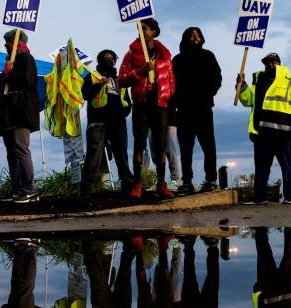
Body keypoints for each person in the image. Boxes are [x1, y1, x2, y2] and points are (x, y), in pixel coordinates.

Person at [237, 53, 291, 204]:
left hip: (284, 132)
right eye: (267, 62)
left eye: (273, 62)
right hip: (262, 132)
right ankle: (259, 198)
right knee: (262, 168)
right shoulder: (259, 80)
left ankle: (290, 197)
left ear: (279, 63)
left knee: (287, 166)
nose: (270, 64)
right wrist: (242, 86)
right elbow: (249, 101)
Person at [119, 18, 176, 199]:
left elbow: (172, 81)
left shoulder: (165, 56)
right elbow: (121, 79)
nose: (140, 31)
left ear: (153, 31)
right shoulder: (131, 54)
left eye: (144, 28)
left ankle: (161, 183)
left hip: (160, 104)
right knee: (139, 145)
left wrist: (167, 96)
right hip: (141, 104)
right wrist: (139, 72)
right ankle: (137, 184)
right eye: (139, 28)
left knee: (161, 146)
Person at [172, 27, 222, 195]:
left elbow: (217, 77)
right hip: (184, 109)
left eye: (198, 34)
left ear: (201, 38)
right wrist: (176, 100)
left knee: (208, 146)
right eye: (192, 34)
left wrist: (208, 93)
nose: (195, 37)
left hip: (203, 107)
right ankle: (187, 182)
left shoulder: (208, 56)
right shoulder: (177, 60)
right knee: (186, 148)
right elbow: (171, 84)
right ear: (185, 37)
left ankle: (211, 180)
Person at [0, 30, 40, 203]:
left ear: (17, 43)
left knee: (20, 150)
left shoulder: (26, 59)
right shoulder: (11, 63)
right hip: (9, 117)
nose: (5, 44)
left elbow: (27, 81)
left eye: (8, 42)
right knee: (12, 153)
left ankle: (29, 190)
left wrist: (9, 73)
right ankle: (18, 190)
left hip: (20, 114)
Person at [80, 50, 134, 196]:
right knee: (94, 155)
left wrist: (124, 113)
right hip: (98, 121)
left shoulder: (119, 79)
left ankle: (128, 185)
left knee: (121, 154)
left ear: (115, 61)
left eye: (111, 58)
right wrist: (98, 85)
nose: (108, 60)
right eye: (105, 58)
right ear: (99, 60)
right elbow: (84, 94)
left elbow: (127, 101)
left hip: (118, 121)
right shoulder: (92, 76)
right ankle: (86, 188)